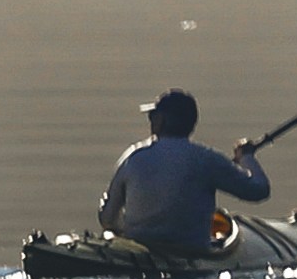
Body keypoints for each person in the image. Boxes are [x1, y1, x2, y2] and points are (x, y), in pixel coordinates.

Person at [98, 89, 275, 252]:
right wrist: (247, 157)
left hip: (139, 250)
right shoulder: (207, 160)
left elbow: (107, 219)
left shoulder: (133, 158)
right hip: (191, 252)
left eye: (152, 116)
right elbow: (259, 190)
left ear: (161, 121)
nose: (151, 121)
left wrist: (124, 230)